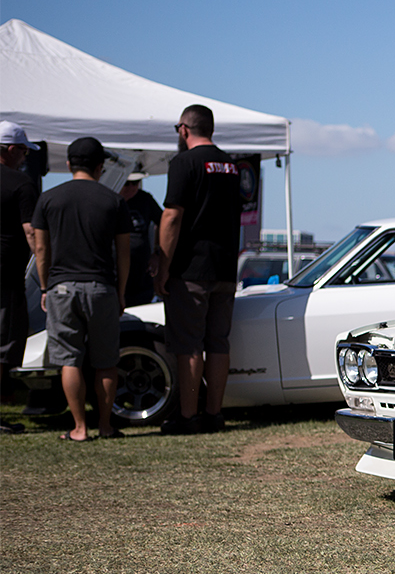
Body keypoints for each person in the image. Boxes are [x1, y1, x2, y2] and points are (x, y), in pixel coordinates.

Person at [31, 137, 131, 441]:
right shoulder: (113, 200)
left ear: (68, 164)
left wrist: (46, 286)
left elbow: (41, 249)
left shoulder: (49, 198)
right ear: (100, 167)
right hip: (101, 287)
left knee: (69, 360)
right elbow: (123, 253)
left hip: (61, 287)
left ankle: (79, 428)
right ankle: (105, 425)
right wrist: (121, 291)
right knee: (106, 361)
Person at [154, 105, 242, 434]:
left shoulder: (184, 162)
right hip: (225, 268)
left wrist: (163, 265)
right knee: (218, 342)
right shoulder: (231, 166)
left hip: (191, 269)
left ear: (183, 130)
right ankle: (214, 414)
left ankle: (188, 416)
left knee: (189, 345)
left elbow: (172, 216)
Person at [1, 121, 41, 434]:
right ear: (11, 149)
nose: (26, 156)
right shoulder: (21, 183)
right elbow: (31, 231)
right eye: (24, 150)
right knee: (4, 345)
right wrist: (46, 270)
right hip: (5, 276)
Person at [119, 170, 162, 306]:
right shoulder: (109, 201)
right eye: (127, 184)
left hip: (141, 275)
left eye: (135, 183)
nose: (131, 188)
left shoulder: (145, 199)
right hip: (116, 274)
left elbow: (164, 223)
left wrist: (157, 253)